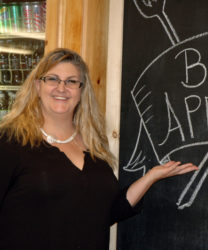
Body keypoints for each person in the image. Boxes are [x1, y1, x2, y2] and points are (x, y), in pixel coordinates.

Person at [0, 48, 198, 250]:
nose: (61, 88)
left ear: (81, 90)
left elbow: (106, 214)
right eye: (52, 79)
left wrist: (150, 177)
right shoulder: (10, 142)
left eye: (71, 81)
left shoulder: (93, 146)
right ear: (37, 86)